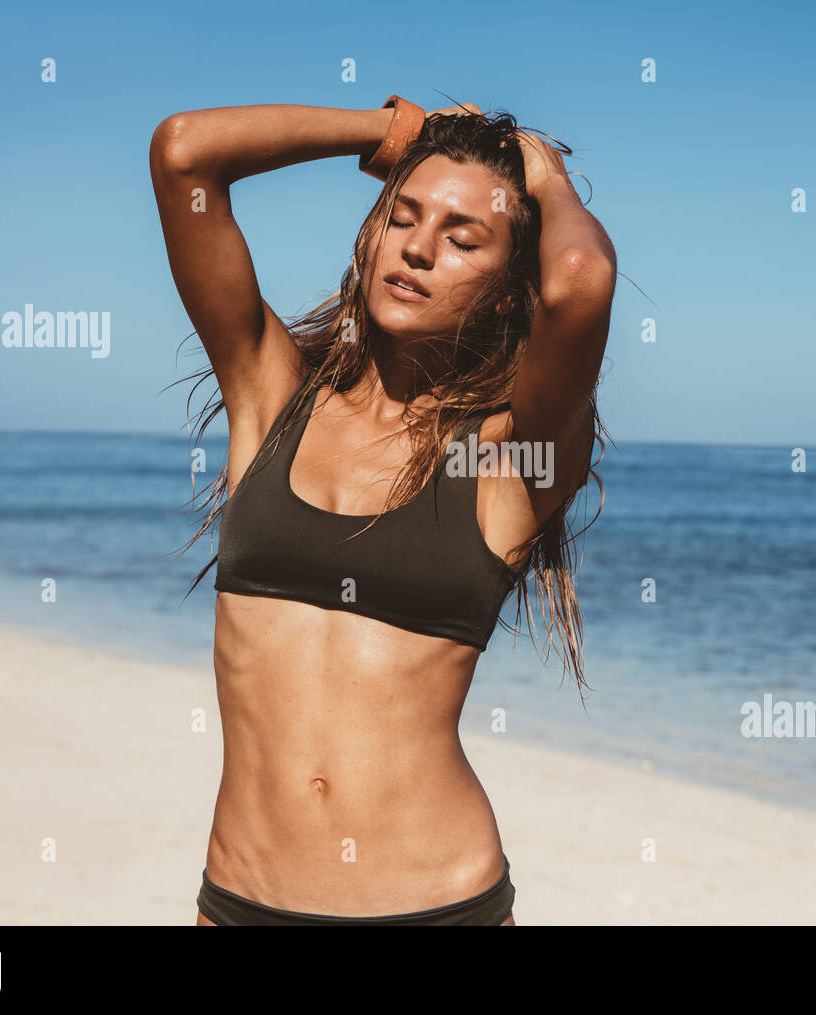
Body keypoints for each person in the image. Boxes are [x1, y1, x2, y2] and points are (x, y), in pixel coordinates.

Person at [148, 95, 615, 925]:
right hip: (241, 902)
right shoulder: (273, 398)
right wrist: (390, 130)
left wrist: (547, 179)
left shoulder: (504, 459)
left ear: (509, 293)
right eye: (403, 217)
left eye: (464, 238)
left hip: (435, 905)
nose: (420, 248)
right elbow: (186, 153)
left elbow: (579, 281)